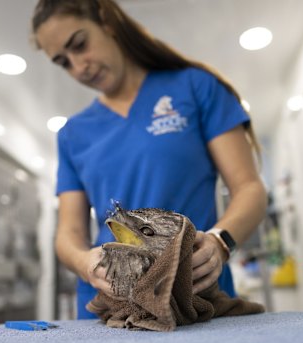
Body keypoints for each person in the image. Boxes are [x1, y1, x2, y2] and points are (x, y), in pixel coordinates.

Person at [31, 0, 267, 319]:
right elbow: (68, 233)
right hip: (111, 306)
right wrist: (86, 264)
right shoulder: (73, 134)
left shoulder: (195, 88)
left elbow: (249, 188)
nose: (78, 66)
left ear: (108, 23)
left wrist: (220, 241)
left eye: (80, 44)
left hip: (194, 294)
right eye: (63, 62)